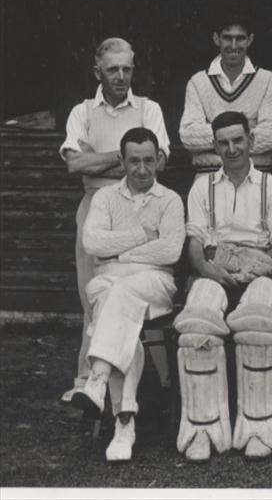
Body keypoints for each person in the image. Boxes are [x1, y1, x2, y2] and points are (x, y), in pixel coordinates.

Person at [173, 111, 272, 462]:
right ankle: (202, 427)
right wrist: (208, 269)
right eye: (223, 142)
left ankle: (260, 426)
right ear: (214, 146)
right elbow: (194, 244)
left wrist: (253, 266)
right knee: (198, 324)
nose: (232, 148)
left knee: (258, 325)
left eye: (238, 140)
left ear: (251, 142)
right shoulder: (202, 187)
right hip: (214, 271)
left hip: (260, 271)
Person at [59, 37, 171, 404]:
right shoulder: (83, 112)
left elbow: (161, 162)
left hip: (142, 205)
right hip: (96, 205)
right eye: (113, 69)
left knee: (136, 286)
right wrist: (130, 155)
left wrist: (100, 157)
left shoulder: (149, 109)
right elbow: (75, 163)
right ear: (98, 71)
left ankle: (160, 379)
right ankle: (88, 379)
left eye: (127, 69)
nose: (121, 76)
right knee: (93, 294)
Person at [72, 128, 184, 462]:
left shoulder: (170, 200)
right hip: (113, 284)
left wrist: (118, 255)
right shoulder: (105, 199)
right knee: (123, 317)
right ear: (121, 161)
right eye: (133, 161)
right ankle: (125, 422)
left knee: (116, 296)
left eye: (148, 160)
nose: (141, 169)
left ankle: (98, 379)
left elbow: (171, 250)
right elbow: (92, 243)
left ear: (159, 160)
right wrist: (140, 236)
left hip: (155, 284)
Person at [179, 15, 272, 174]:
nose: (233, 46)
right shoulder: (198, 82)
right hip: (209, 176)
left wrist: (213, 136)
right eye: (227, 38)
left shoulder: (267, 79)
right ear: (216, 39)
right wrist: (247, 129)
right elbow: (188, 136)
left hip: (256, 176)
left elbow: (270, 136)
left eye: (240, 38)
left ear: (250, 40)